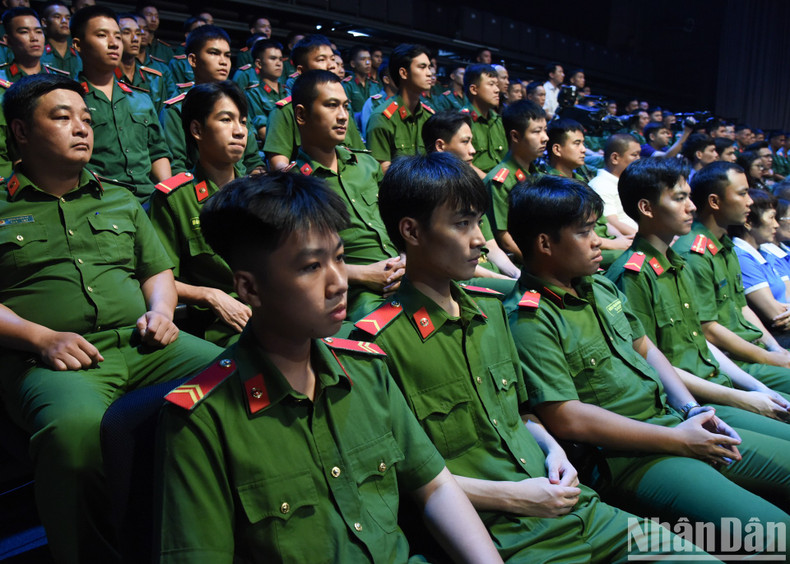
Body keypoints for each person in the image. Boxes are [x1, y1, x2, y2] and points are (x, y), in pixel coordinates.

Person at [351, 152, 707, 562]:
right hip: (506, 535)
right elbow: (404, 477)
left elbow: (520, 413)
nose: (480, 239)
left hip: (577, 507)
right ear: (411, 231)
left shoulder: (490, 312)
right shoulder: (375, 344)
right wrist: (516, 496)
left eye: (479, 222)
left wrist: (554, 450)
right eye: (462, 224)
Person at [154, 170, 502, 563]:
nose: (339, 282)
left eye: (338, 258)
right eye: (310, 267)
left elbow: (435, 486)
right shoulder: (202, 421)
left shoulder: (367, 371)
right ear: (249, 289)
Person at [504, 174, 790, 553]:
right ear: (545, 243)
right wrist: (679, 439)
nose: (598, 241)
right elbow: (566, 417)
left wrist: (690, 407)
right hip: (630, 457)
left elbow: (645, 347)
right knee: (776, 534)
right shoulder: (530, 317)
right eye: (585, 231)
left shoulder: (598, 285)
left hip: (673, 421)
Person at [0, 73, 221, 564]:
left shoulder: (119, 197)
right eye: (62, 118)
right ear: (20, 131)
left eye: (85, 118)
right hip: (53, 361)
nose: (82, 128)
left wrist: (163, 312)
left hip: (146, 344)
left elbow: (156, 268)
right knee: (72, 436)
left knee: (237, 370)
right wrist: (41, 338)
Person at [606, 157, 790, 427]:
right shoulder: (633, 275)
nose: (691, 207)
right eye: (679, 198)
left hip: (718, 379)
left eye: (689, 197)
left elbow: (702, 345)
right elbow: (652, 365)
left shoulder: (675, 264)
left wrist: (759, 389)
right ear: (646, 208)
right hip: (691, 403)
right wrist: (743, 395)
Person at [291, 70, 405, 319]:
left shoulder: (367, 164)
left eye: (345, 106)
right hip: (358, 290)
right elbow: (302, 262)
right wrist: (366, 274)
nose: (343, 116)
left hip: (408, 271)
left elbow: (400, 220)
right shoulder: (295, 184)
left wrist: (407, 259)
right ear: (301, 114)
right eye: (331, 106)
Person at [673, 162, 790, 393]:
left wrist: (776, 349)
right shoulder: (694, 253)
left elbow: (741, 306)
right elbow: (708, 329)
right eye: (742, 193)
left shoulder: (724, 245)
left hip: (753, 349)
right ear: (715, 202)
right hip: (735, 362)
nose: (749, 202)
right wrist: (769, 358)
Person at [149, 81, 250, 346]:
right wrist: (210, 295)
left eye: (243, 121)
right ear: (197, 129)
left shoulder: (260, 194)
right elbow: (159, 277)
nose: (239, 131)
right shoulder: (175, 198)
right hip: (222, 325)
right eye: (226, 120)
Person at [72, 5, 171, 203]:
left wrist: (169, 195)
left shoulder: (140, 99)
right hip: (98, 200)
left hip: (147, 199)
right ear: (78, 45)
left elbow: (157, 152)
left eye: (117, 37)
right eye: (102, 35)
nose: (113, 43)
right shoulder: (70, 99)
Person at [422, 110, 520, 284]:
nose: (473, 150)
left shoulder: (467, 186)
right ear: (440, 146)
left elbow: (491, 247)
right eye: (465, 142)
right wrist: (509, 283)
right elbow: (450, 262)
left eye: (471, 142)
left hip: (491, 273)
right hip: (463, 278)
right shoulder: (428, 192)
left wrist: (516, 275)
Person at [159, 24, 262, 176]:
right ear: (193, 60)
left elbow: (253, 161)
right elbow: (176, 167)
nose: (223, 61)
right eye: (214, 53)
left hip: (241, 187)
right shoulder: (177, 109)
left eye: (227, 55)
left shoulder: (236, 104)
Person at [264, 34, 365, 171]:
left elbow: (361, 156)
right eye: (321, 59)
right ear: (301, 71)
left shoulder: (342, 110)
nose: (331, 66)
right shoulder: (286, 112)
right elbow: (279, 166)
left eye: (333, 59)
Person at [485, 99, 547, 263]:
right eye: (536, 132)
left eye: (545, 130)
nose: (545, 138)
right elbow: (504, 238)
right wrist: (539, 264)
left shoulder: (538, 174)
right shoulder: (500, 180)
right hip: (521, 262)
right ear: (515, 136)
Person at [729, 189, 790, 346]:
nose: (776, 225)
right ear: (748, 223)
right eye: (771, 218)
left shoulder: (764, 251)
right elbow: (776, 315)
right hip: (775, 337)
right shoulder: (741, 256)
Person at [365, 43, 434, 173]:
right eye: (422, 67)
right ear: (403, 73)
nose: (430, 73)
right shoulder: (382, 118)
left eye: (429, 67)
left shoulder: (429, 116)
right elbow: (382, 171)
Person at [115, 13, 175, 114]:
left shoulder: (154, 79)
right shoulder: (106, 78)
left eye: (138, 34)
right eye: (126, 32)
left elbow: (160, 120)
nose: (135, 39)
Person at [588, 133, 640, 237]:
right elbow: (611, 221)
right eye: (634, 155)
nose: (639, 159)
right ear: (615, 158)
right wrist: (649, 239)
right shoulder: (600, 185)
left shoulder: (628, 182)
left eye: (639, 154)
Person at [461, 63, 507, 173]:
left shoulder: (498, 120)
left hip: (501, 181)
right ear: (474, 89)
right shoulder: (462, 121)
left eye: (497, 85)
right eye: (491, 84)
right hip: (477, 184)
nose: (497, 90)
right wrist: (490, 181)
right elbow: (462, 164)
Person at [243, 38, 287, 142]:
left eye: (280, 59)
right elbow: (263, 132)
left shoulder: (288, 92)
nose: (278, 63)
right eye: (273, 58)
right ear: (259, 63)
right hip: (271, 148)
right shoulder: (253, 94)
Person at [40, 0, 81, 77]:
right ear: (44, 22)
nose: (64, 21)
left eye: (68, 18)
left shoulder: (80, 55)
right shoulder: (38, 54)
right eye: (57, 17)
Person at [342, 44, 380, 117]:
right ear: (353, 64)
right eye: (363, 59)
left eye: (369, 59)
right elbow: (348, 113)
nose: (368, 63)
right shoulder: (347, 85)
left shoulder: (375, 85)